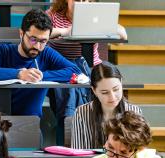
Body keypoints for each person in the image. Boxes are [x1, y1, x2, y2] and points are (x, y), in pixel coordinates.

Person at [46, 0, 128, 143]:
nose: (82, 2)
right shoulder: (53, 14)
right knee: (71, 85)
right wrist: (66, 31)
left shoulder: (95, 16)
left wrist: (101, 24)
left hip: (90, 67)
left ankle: (104, 132)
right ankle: (73, 127)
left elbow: (122, 34)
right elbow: (41, 31)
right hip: (62, 67)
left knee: (104, 81)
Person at [0, 8, 81, 117]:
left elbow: (76, 72)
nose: (37, 46)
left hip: (31, 124)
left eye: (43, 41)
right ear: (21, 33)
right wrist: (19, 74)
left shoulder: (46, 53)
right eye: (33, 39)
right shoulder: (2, 50)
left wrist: (40, 76)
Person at [70, 61, 141, 158]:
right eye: (104, 92)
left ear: (121, 83)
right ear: (94, 90)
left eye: (116, 89)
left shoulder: (134, 112)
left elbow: (139, 157)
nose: (112, 97)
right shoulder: (82, 113)